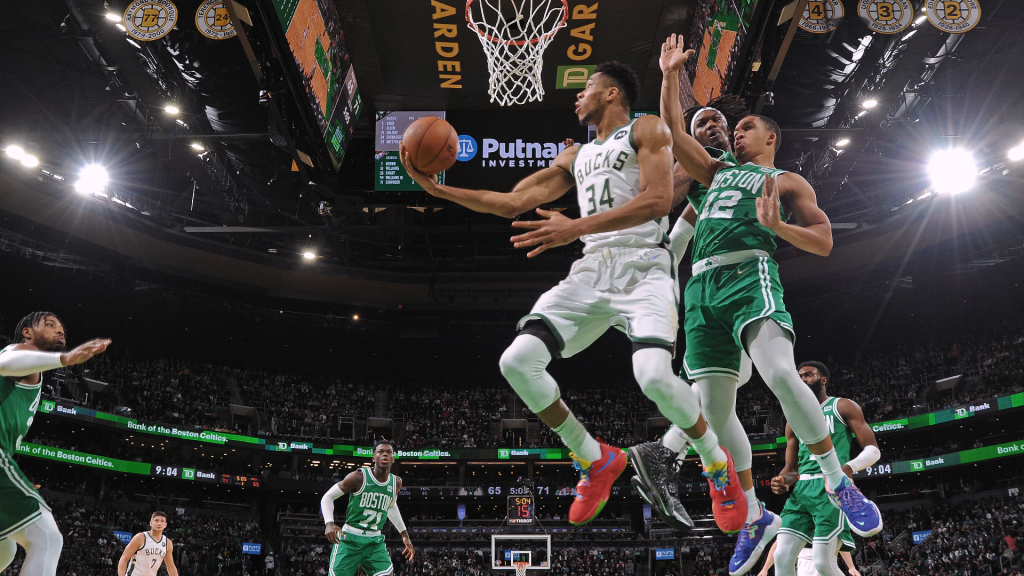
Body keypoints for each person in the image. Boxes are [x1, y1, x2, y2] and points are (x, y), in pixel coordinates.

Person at [399, 60, 742, 529]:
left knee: (654, 377)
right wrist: (437, 190)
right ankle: (593, 457)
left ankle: (715, 461)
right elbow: (512, 202)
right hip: (592, 269)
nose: (578, 96)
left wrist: (575, 227)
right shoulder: (575, 156)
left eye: (587, 87)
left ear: (612, 93)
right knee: (516, 362)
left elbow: (658, 201)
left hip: (644, 265)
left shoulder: (647, 129)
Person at [638, 33, 885, 573]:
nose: (736, 132)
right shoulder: (714, 173)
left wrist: (779, 228)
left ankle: (838, 482)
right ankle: (753, 514)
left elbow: (823, 241)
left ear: (770, 138)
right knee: (714, 409)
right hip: (702, 289)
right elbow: (673, 132)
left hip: (750, 273)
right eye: (733, 128)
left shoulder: (784, 179)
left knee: (778, 372)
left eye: (745, 126)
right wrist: (668, 75)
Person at [627, 92, 756, 533]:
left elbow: (675, 242)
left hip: (746, 286)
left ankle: (673, 455)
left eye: (718, 120)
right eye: (702, 123)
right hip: (717, 293)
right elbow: (673, 242)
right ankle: (744, 505)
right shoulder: (703, 174)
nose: (713, 125)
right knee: (720, 404)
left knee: (723, 400)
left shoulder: (742, 172)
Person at [0, 312, 110, 576]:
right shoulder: (19, 351)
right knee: (47, 538)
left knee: (5, 548)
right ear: (27, 332)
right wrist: (65, 358)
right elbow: (5, 363)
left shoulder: (31, 373)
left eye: (62, 328)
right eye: (50, 325)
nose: (60, 331)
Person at [770, 361, 882, 576]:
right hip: (801, 492)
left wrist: (848, 468)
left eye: (808, 375)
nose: (803, 379)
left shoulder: (843, 406)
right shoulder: (793, 419)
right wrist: (782, 480)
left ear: (823, 380)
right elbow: (791, 468)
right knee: (781, 557)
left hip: (830, 488)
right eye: (799, 376)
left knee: (823, 563)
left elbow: (873, 450)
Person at [320, 440, 414, 576]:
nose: (385, 454)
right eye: (380, 452)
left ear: (393, 459)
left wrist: (404, 535)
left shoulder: (396, 482)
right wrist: (329, 523)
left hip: (374, 541)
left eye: (389, 452)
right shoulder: (358, 477)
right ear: (373, 458)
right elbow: (327, 497)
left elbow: (391, 506)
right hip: (350, 538)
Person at [117, 511, 180, 576]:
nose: (159, 523)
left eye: (162, 521)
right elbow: (123, 559)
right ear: (151, 523)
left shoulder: (167, 543)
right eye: (156, 520)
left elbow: (171, 567)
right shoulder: (140, 537)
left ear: (165, 525)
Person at [758, 539, 861, 576]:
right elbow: (779, 543)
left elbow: (839, 542)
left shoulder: (831, 516)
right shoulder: (800, 517)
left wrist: (851, 567)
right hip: (807, 563)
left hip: (830, 562)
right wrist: (765, 568)